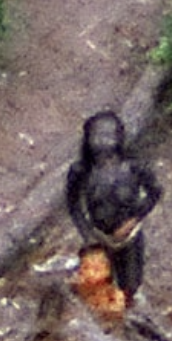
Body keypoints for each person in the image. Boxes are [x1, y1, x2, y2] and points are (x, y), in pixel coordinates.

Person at [65, 111, 161, 303]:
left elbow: (155, 192)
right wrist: (87, 234)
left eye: (108, 136)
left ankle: (130, 310)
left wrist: (133, 220)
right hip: (99, 236)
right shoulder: (81, 170)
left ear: (119, 137)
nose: (103, 143)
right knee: (101, 280)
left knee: (131, 283)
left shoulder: (134, 166)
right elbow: (73, 203)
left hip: (129, 236)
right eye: (97, 136)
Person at [72, 244, 128, 327]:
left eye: (96, 269)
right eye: (85, 268)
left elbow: (118, 308)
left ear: (107, 271)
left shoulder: (112, 292)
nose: (89, 273)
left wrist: (105, 309)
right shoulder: (77, 287)